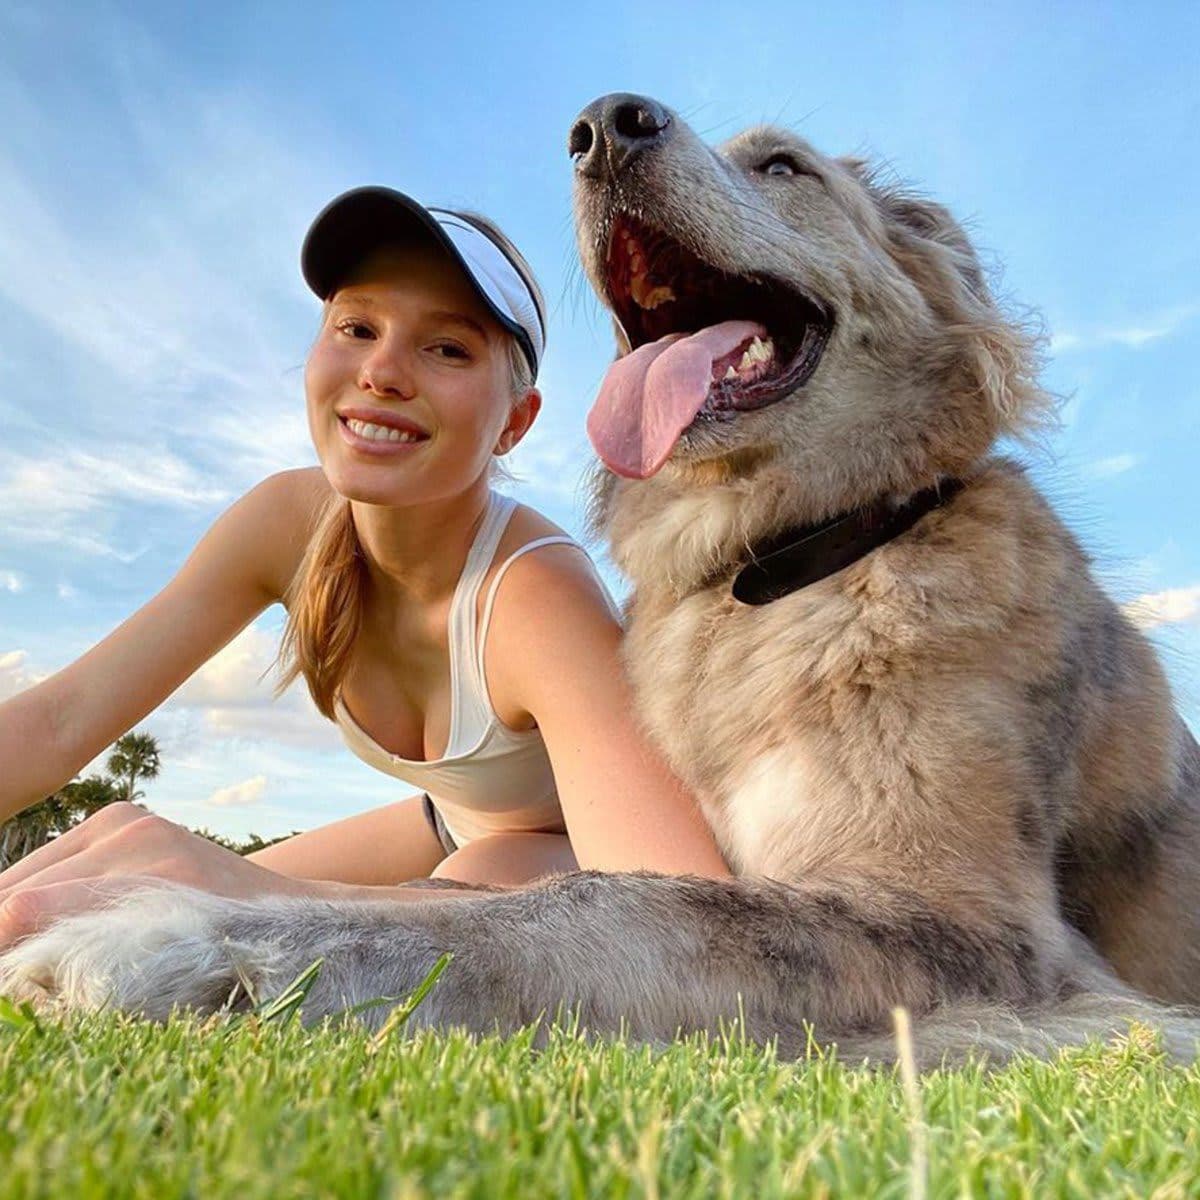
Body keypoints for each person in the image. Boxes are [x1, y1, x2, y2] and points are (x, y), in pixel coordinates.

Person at [0, 188, 729, 948]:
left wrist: (253, 896)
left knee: (228, 912)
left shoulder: (536, 596)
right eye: (357, 327)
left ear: (515, 422)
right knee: (119, 878)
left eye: (447, 348)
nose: (381, 371)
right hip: (443, 824)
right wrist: (237, 879)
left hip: (574, 861)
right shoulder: (285, 521)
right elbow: (61, 720)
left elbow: (680, 918)